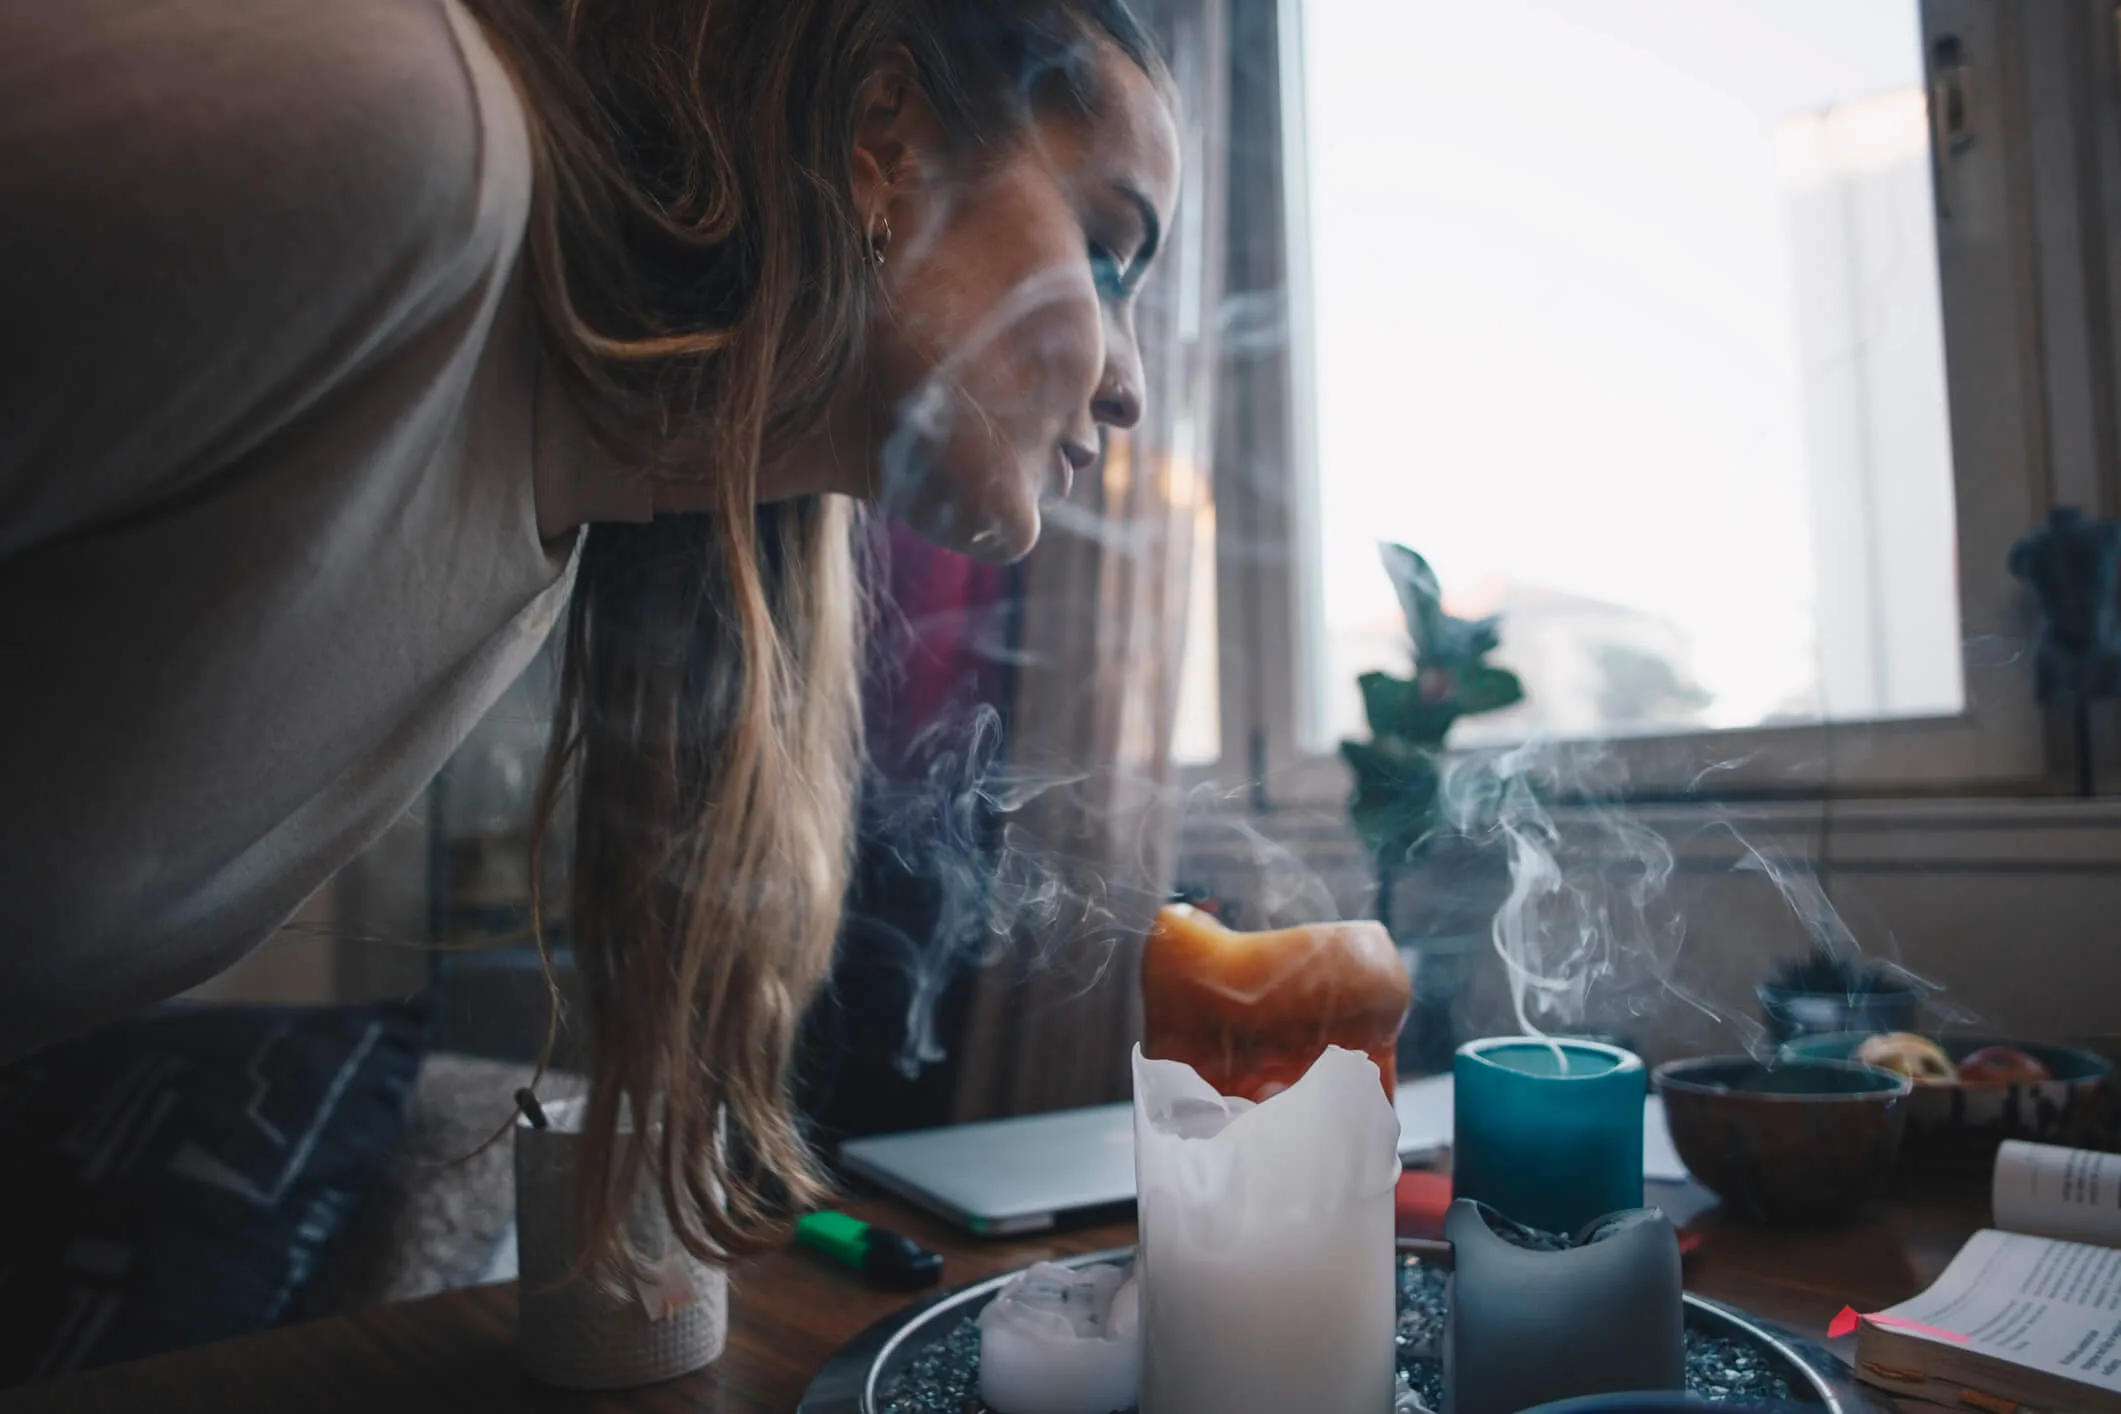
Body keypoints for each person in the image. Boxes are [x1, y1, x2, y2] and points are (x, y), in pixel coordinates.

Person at [0, 0, 1179, 1272]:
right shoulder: (399, 149)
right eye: (1109, 252)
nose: (1131, 384)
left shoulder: (570, 525)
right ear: (881, 137)